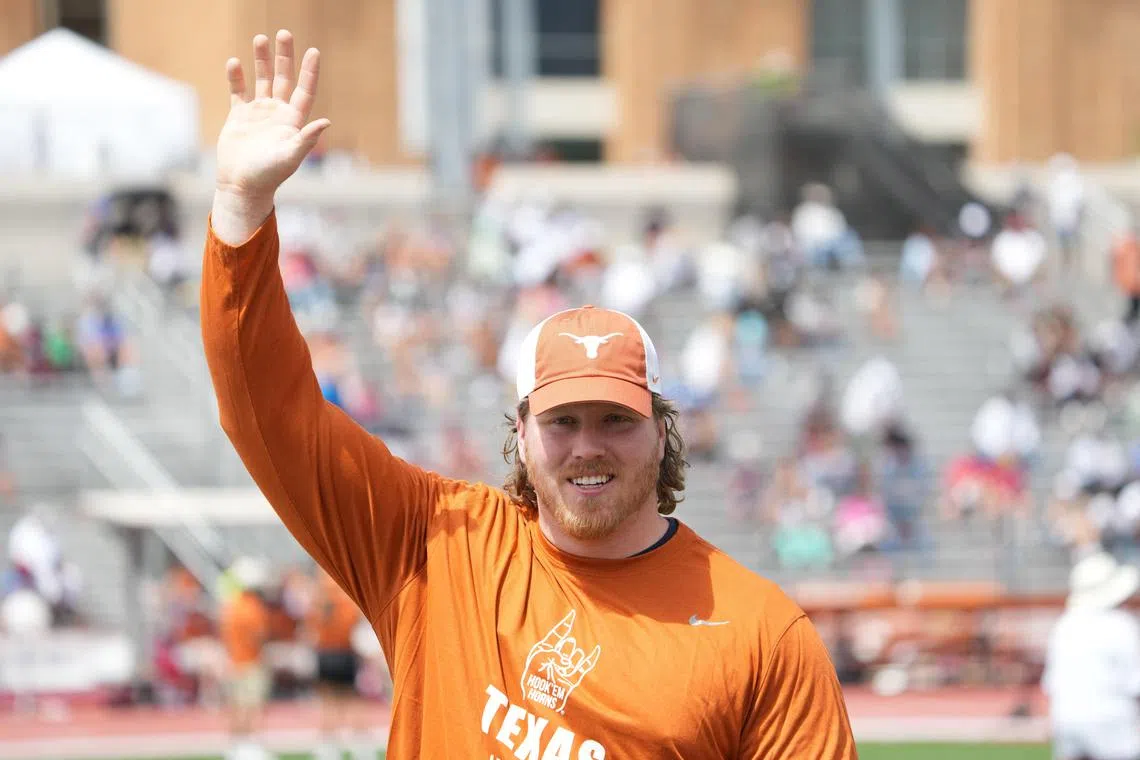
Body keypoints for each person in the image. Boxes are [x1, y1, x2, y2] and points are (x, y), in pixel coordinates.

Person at [201, 30, 856, 758]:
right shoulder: (432, 545)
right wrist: (241, 209)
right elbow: (268, 412)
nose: (587, 446)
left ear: (664, 432)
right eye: (562, 420)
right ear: (520, 431)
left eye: (616, 418)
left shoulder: (763, 633)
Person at [1042, 552, 1140, 760]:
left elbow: (1051, 684)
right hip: (1111, 721)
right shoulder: (1121, 625)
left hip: (1065, 719)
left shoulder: (1064, 625)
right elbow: (1135, 683)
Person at [219, 557, 273, 760]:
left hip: (234, 660)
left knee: (237, 706)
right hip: (251, 661)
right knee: (251, 706)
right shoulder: (253, 607)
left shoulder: (232, 605)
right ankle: (250, 744)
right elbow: (258, 636)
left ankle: (236, 745)